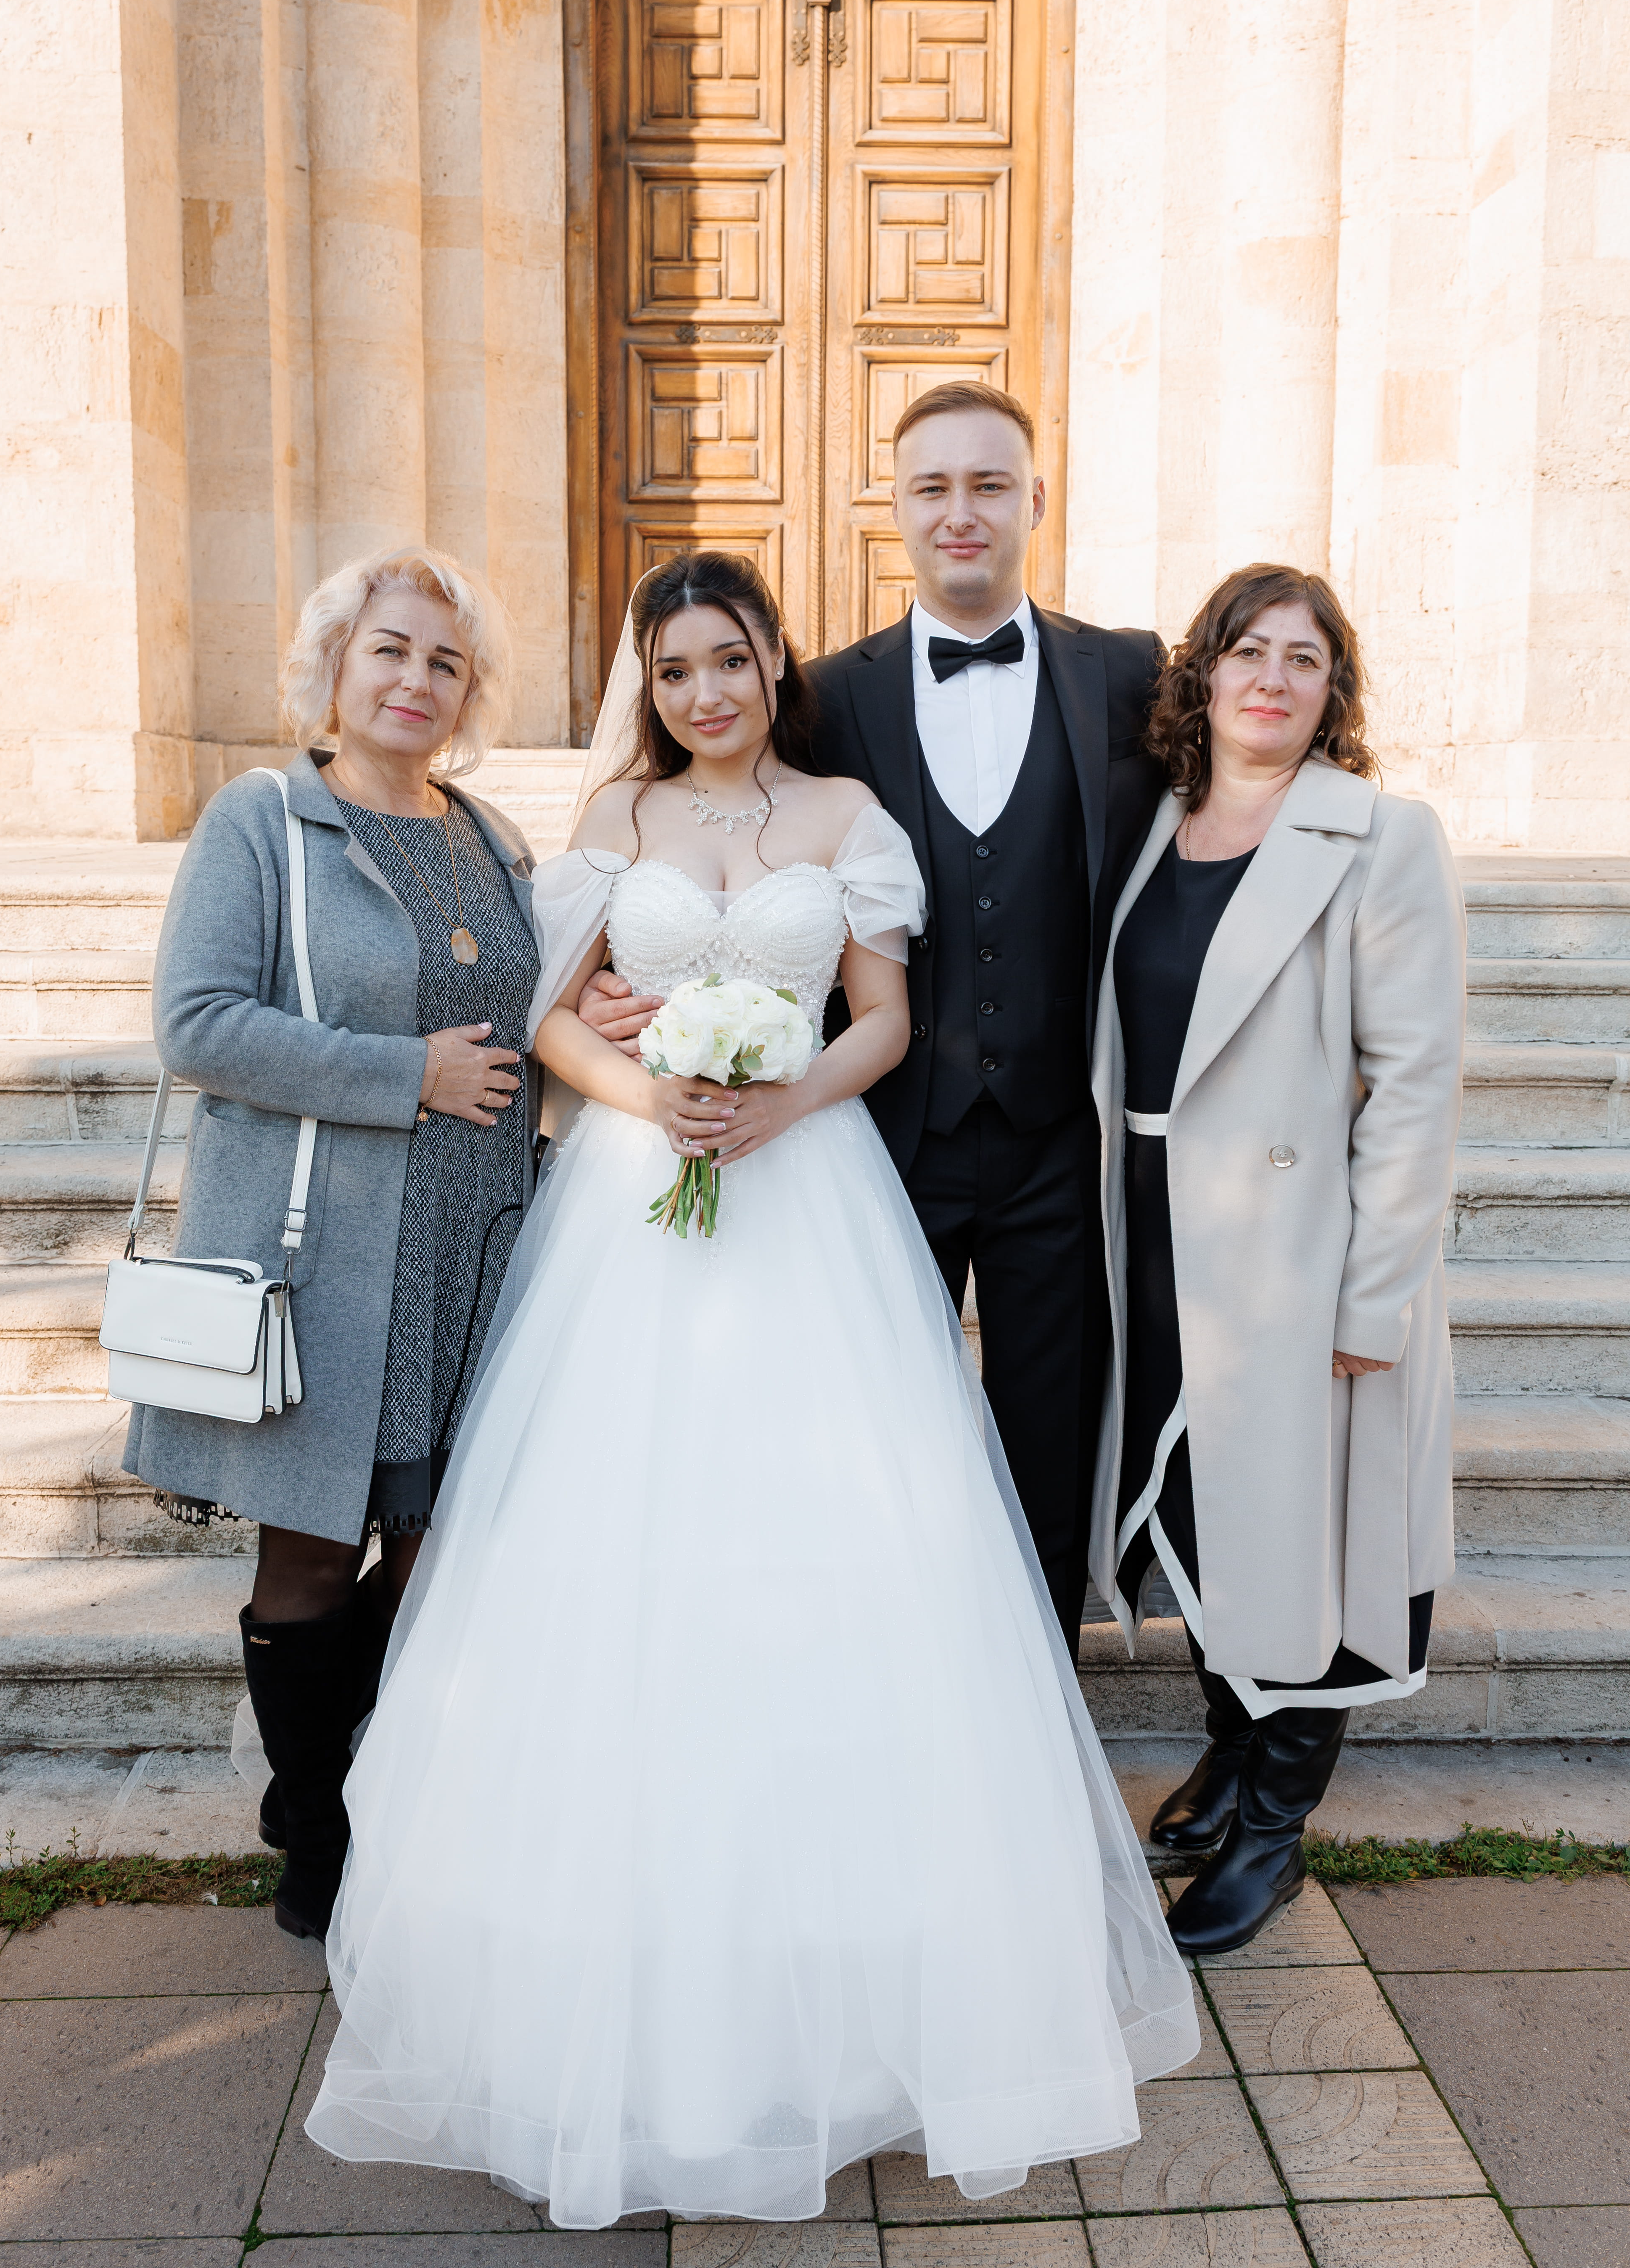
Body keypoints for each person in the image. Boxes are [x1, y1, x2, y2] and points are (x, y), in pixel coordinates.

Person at [304, 552, 1197, 2225]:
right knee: (624, 1553)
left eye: (728, 660)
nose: (703, 693)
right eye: (673, 672)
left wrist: (783, 1100)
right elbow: (550, 1022)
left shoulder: (849, 818)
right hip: (635, 1209)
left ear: (775, 665)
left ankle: (855, 1981)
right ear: (646, 691)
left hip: (809, 1194)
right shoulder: (615, 823)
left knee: (836, 1553)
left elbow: (883, 1017)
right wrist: (648, 1091)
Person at [579, 383, 1168, 1657]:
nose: (962, 512)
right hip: (873, 1137)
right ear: (894, 509)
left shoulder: (1127, 673)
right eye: (931, 487)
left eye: (990, 484)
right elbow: (728, 826)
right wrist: (618, 990)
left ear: (1036, 500)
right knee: (861, 1428)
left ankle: (1033, 1692)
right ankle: (879, 1664)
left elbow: (1205, 833)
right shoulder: (833, 694)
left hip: (1059, 1130)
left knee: (1049, 1425)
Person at [120, 548, 539, 1942]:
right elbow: (198, 1026)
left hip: (476, 1256)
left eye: (445, 662)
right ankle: (316, 1836)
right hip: (324, 1255)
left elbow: (527, 1032)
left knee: (440, 1560)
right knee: (308, 1561)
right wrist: (405, 1075)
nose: (417, 679)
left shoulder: (494, 839)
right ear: (336, 665)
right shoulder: (262, 820)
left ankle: (367, 1794)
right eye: (391, 650)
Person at [1088, 563, 1466, 1955]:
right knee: (1202, 1508)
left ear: (1334, 690)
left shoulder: (1380, 838)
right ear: (1202, 676)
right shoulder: (1155, 827)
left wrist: (1374, 1297)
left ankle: (1274, 1828)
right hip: (1157, 1229)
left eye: (1305, 660)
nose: (1273, 678)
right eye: (1248, 651)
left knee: (1302, 1536)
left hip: (1301, 1260)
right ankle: (1232, 1746)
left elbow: (1416, 1085)